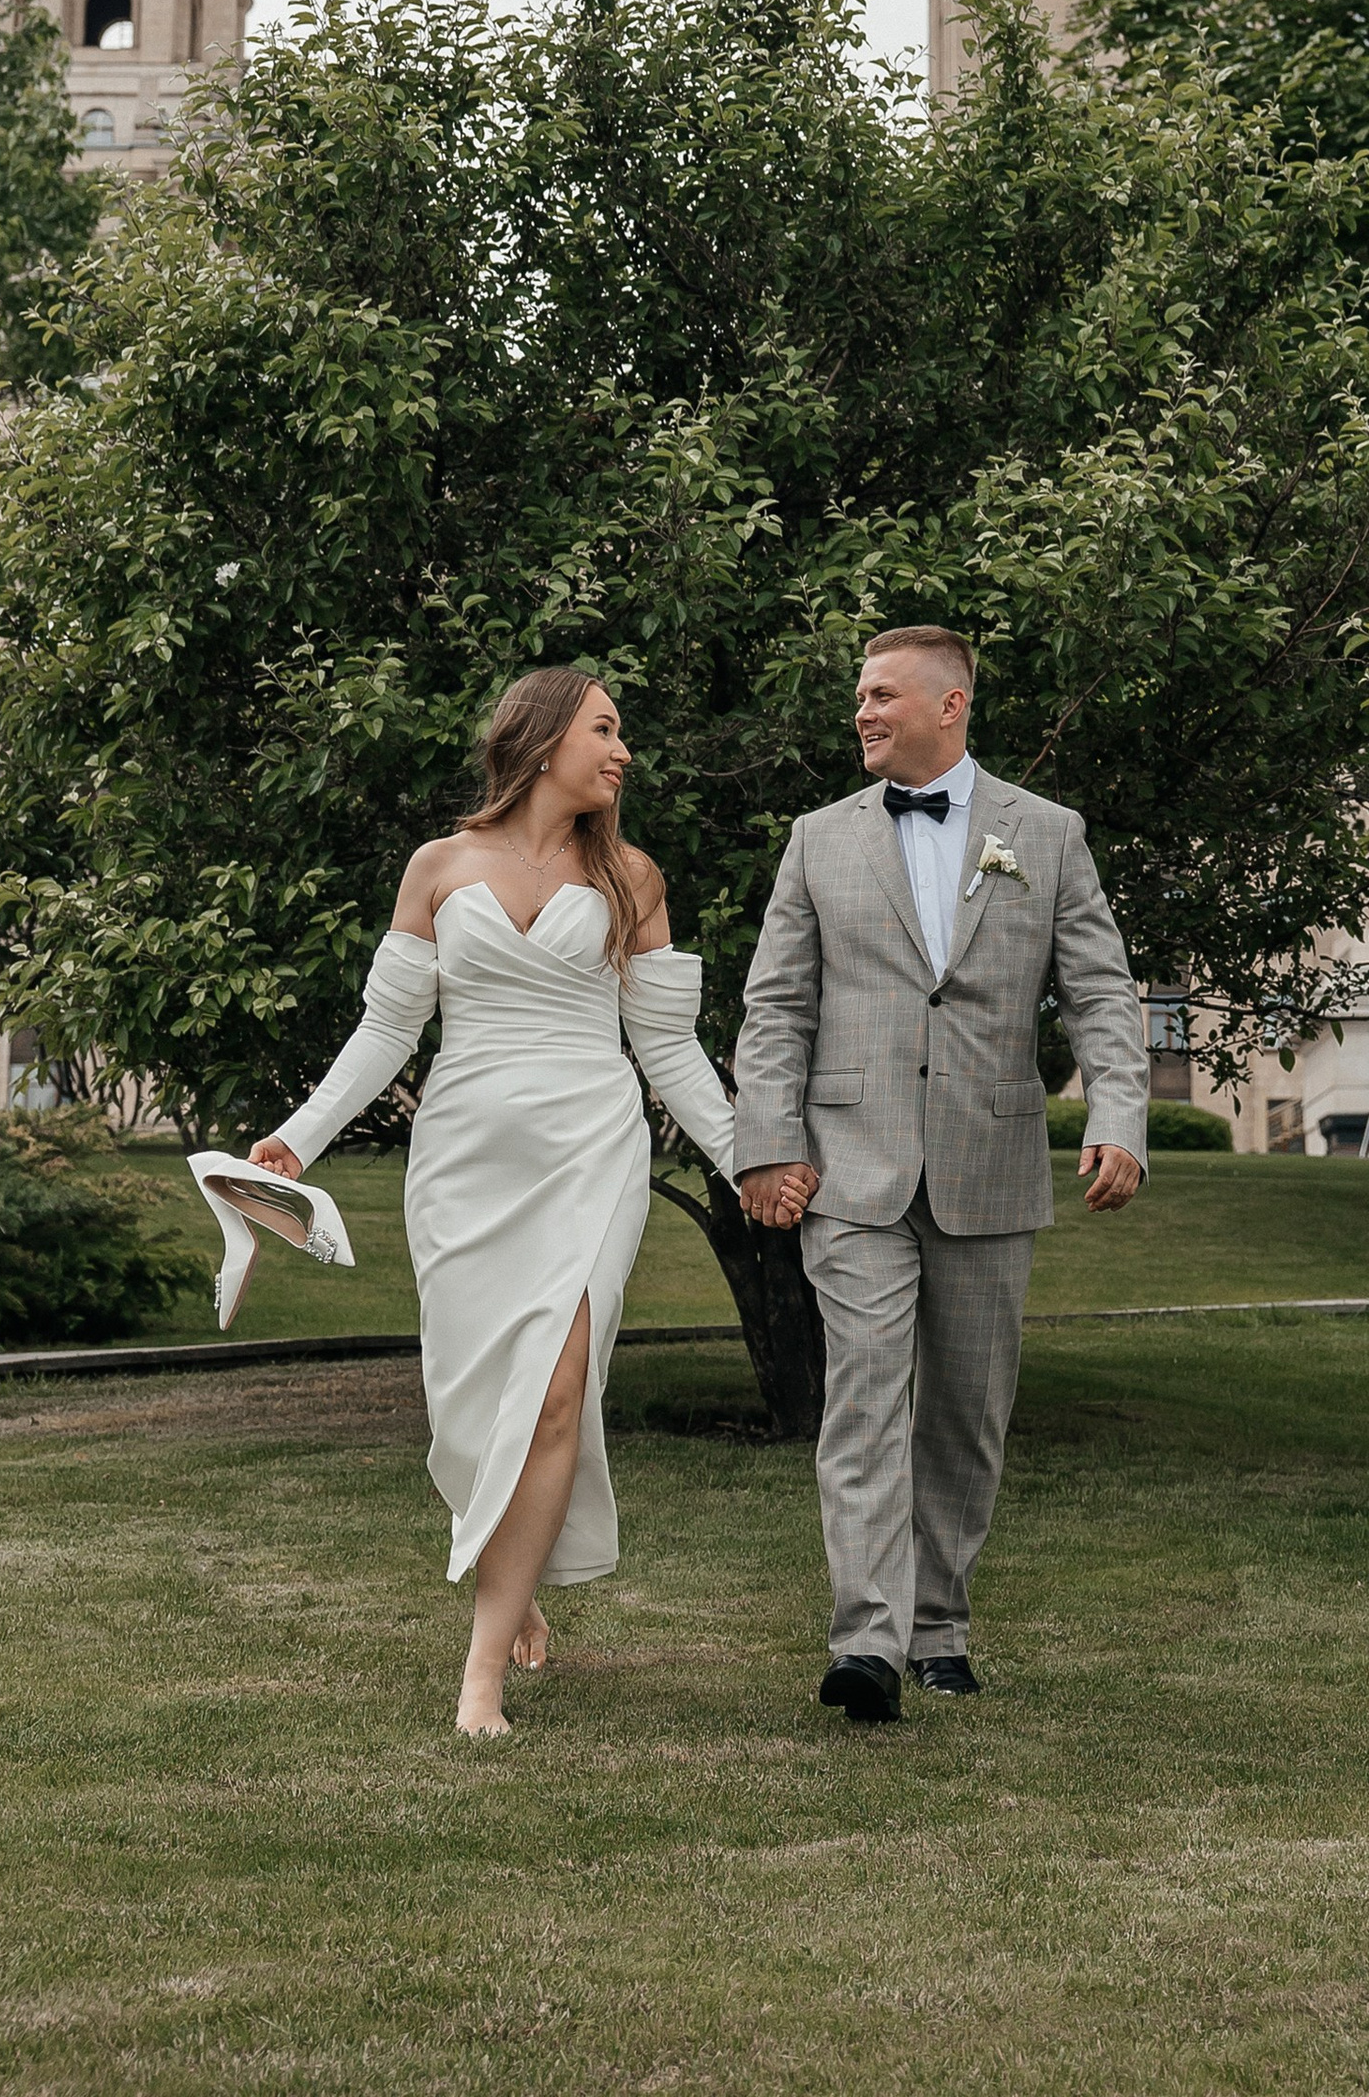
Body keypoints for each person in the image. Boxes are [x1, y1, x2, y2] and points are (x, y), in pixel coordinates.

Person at [248, 667, 736, 1737]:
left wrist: (751, 1161)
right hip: (465, 1159)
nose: (623, 751)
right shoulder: (439, 866)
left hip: (590, 1153)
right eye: (605, 729)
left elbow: (667, 1048)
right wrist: (299, 1137)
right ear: (544, 737)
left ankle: (480, 1677)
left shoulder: (632, 877)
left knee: (558, 1390)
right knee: (474, 1403)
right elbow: (388, 1031)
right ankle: (516, 1576)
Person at [733, 624, 1150, 1719]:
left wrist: (1120, 1115)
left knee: (966, 1414)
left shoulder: (1047, 833)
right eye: (860, 696)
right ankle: (866, 1644)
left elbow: (1100, 993)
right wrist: (767, 1142)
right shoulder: (818, 838)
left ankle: (939, 1628)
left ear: (949, 704)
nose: (862, 712)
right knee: (865, 1401)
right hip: (852, 1170)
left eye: (881, 694)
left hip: (989, 1162)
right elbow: (775, 1006)